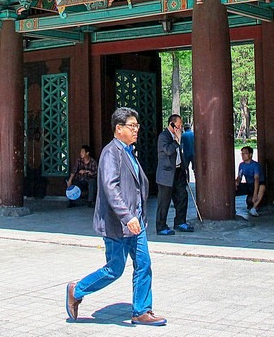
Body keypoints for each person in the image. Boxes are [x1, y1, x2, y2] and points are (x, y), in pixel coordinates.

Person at [65, 107, 166, 326]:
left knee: (144, 264)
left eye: (137, 126)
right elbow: (111, 187)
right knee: (114, 269)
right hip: (118, 224)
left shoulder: (129, 152)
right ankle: (77, 289)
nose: (136, 130)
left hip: (135, 223)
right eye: (132, 126)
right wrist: (127, 216)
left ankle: (141, 310)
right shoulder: (111, 153)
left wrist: (137, 216)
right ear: (118, 129)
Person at [155, 114, 193, 235]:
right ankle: (161, 226)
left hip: (178, 172)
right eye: (178, 125)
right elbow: (168, 150)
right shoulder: (163, 136)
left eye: (181, 125)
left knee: (182, 197)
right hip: (166, 174)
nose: (180, 127)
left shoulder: (178, 136)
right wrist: (176, 140)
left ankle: (180, 222)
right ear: (171, 124)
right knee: (164, 201)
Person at [236, 146, 266, 217]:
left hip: (257, 185)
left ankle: (254, 208)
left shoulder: (255, 165)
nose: (243, 155)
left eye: (245, 153)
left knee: (262, 187)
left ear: (250, 154)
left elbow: (256, 179)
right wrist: (236, 182)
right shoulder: (241, 165)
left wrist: (255, 194)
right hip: (248, 184)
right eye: (242, 154)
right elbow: (239, 176)